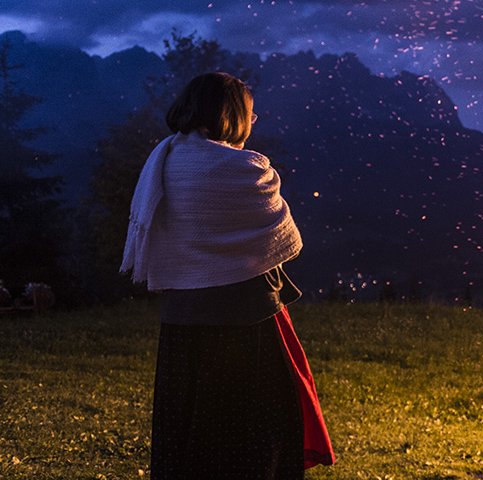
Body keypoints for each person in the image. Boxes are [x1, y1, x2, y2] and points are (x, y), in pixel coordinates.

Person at [120, 72, 335, 479]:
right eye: (250, 114)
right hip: (246, 321)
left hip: (183, 318)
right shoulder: (248, 169)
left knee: (190, 432)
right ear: (232, 114)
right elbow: (281, 237)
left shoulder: (165, 162)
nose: (253, 123)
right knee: (256, 432)